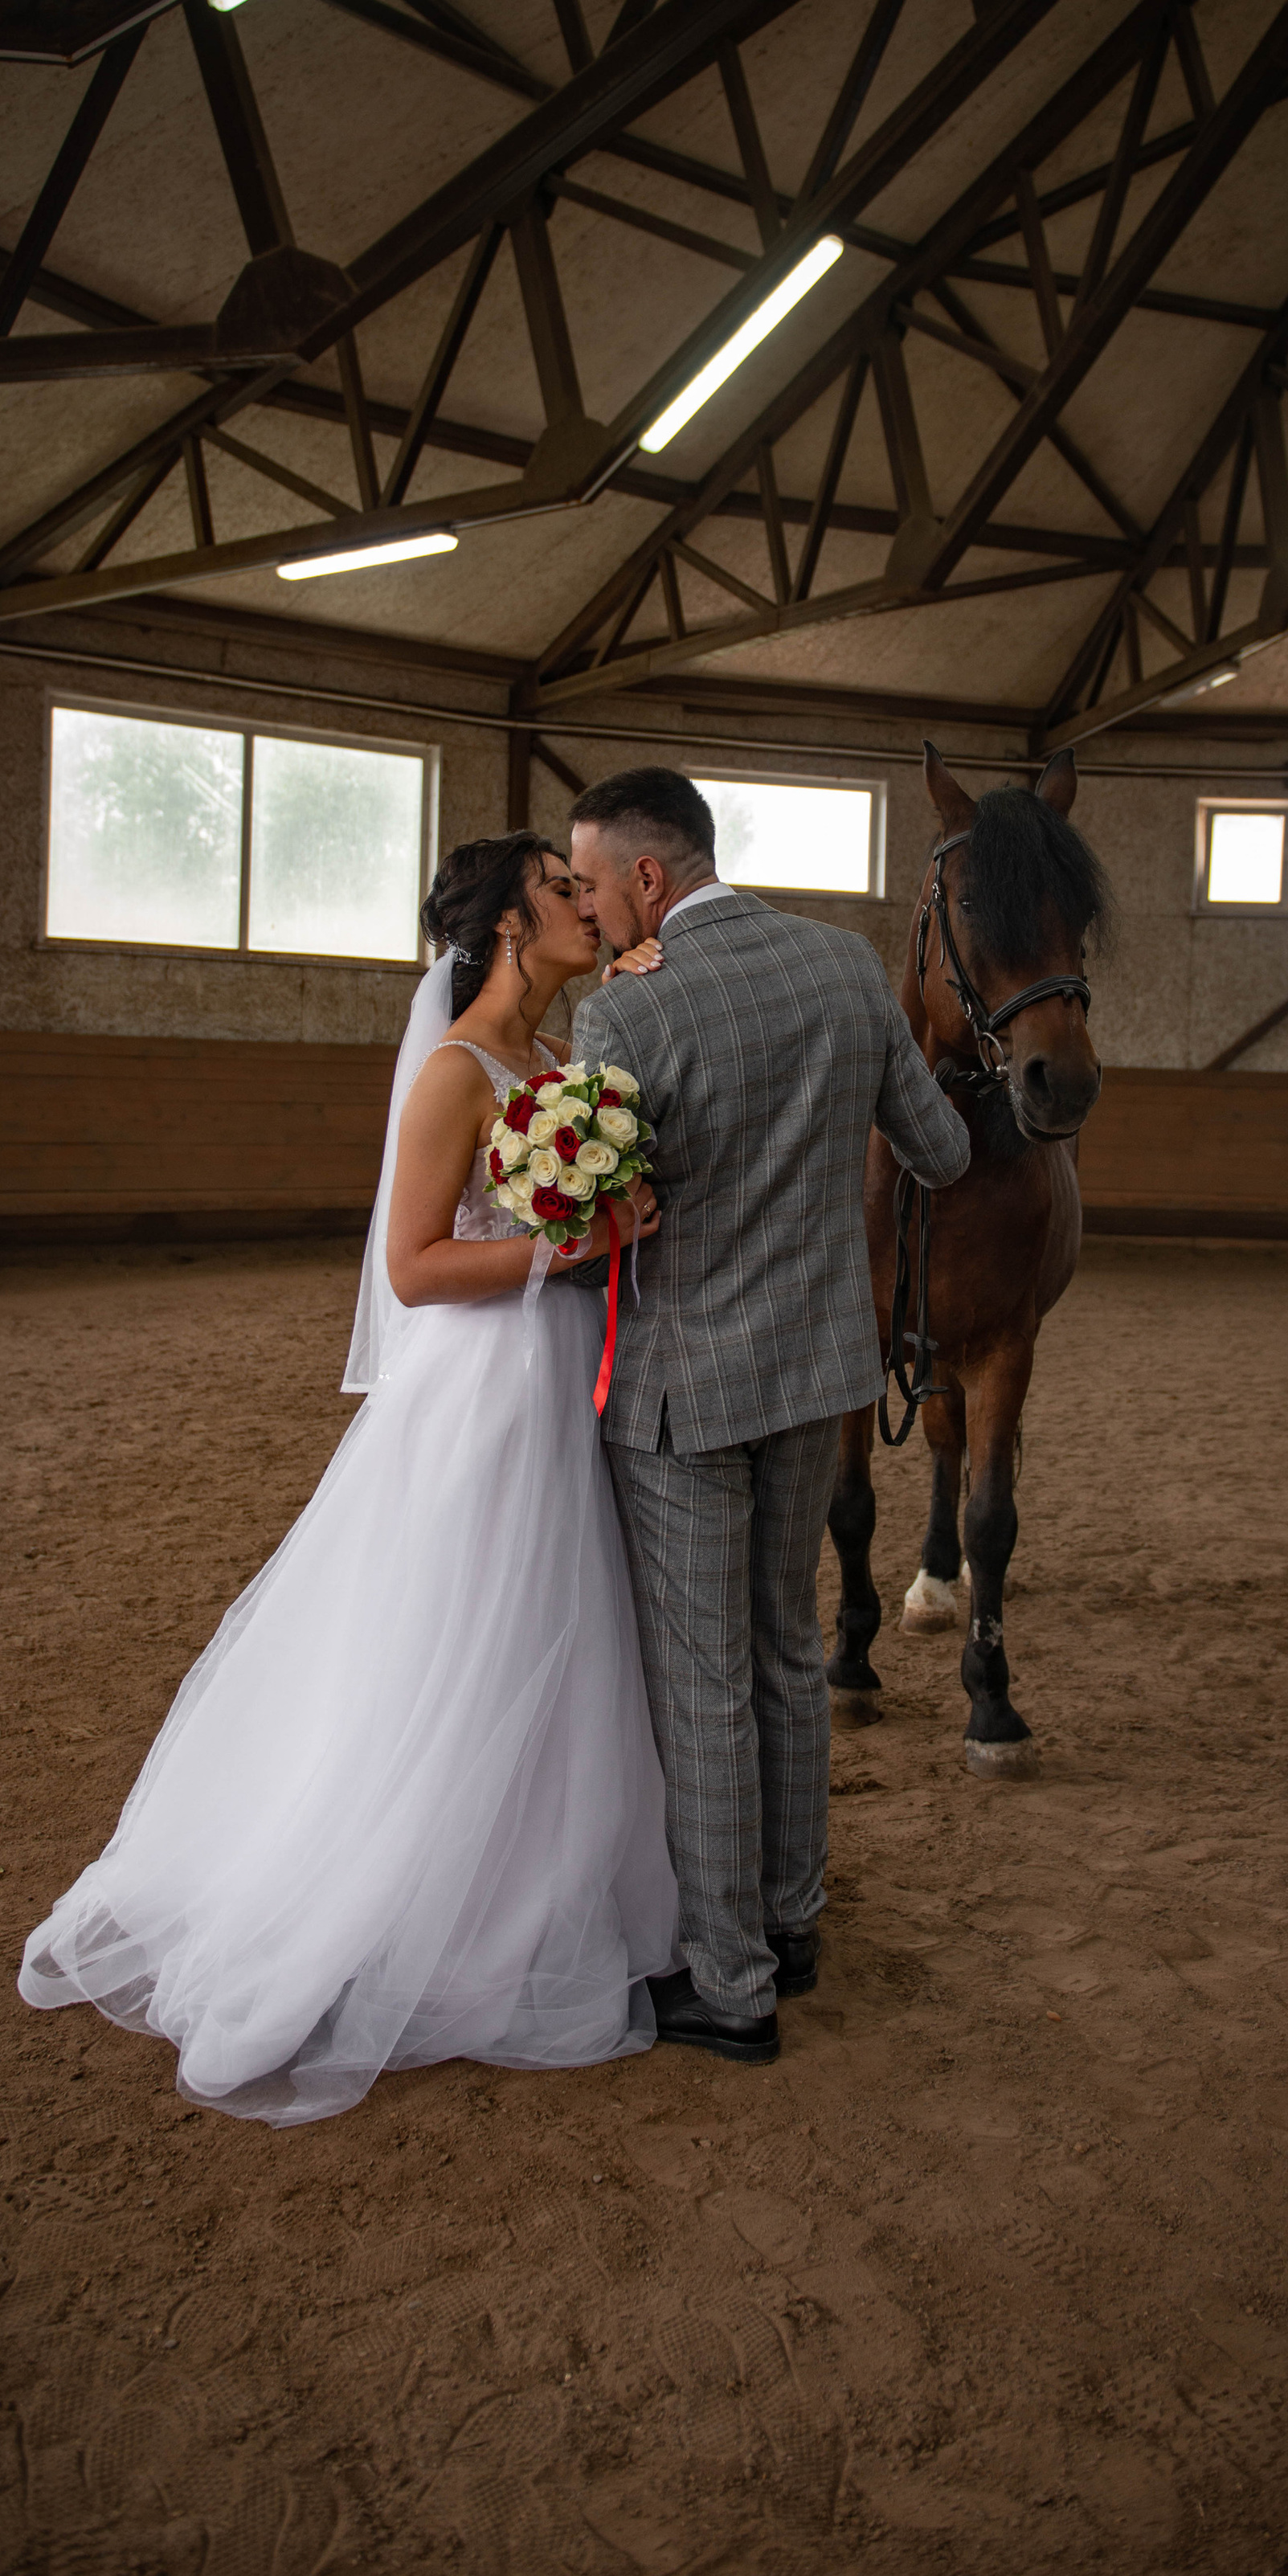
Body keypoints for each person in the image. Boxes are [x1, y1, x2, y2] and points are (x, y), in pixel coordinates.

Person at [18, 836, 677, 2126]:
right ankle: (394, 1903)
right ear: (502, 925)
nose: (584, 905)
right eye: (560, 888)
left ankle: (527, 1892)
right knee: (463, 1637)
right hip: (481, 1394)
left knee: (553, 1631)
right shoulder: (455, 1074)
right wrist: (572, 1244)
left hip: (556, 1383)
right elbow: (418, 1269)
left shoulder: (560, 1071)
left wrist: (608, 1228)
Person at [570, 767, 970, 2065]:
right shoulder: (849, 969)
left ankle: (732, 1983)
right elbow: (942, 1155)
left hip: (686, 1394)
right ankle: (795, 1924)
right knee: (789, 1654)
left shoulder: (624, 1017)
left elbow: (596, 1226)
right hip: (820, 1377)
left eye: (588, 883)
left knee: (704, 1688)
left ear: (647, 881)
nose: (587, 908)